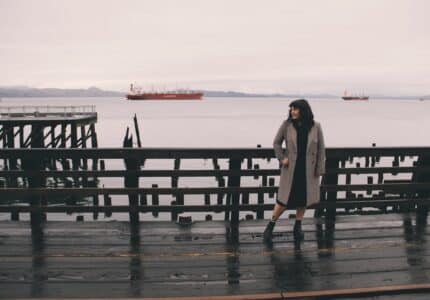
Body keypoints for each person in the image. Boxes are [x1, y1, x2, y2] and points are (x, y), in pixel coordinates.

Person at [263, 99, 326, 243]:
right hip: (291, 168)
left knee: (303, 198)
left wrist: (320, 168)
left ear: (304, 110)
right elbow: (276, 143)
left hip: (308, 170)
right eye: (291, 109)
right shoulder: (287, 125)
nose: (293, 111)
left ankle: (298, 226)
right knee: (283, 200)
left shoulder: (316, 126)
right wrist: (281, 158)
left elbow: (321, 149)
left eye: (296, 109)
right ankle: (270, 225)